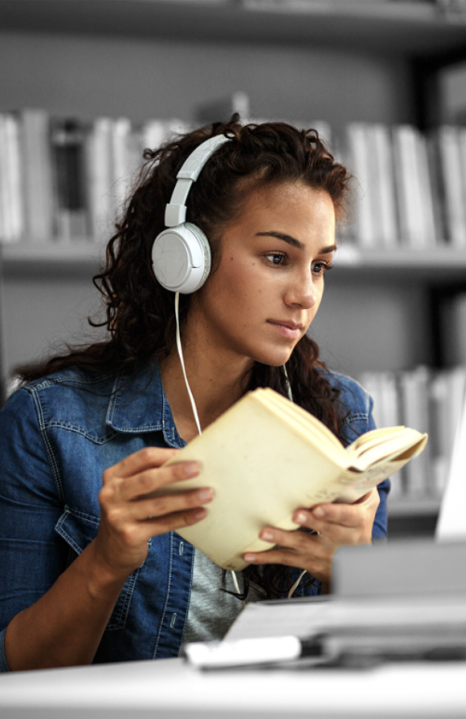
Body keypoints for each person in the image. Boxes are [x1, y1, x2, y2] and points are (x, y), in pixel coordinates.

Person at [0, 119, 390, 672]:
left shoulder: (343, 417)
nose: (305, 294)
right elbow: (14, 677)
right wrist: (107, 562)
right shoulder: (48, 424)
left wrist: (355, 570)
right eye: (277, 258)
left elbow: (380, 670)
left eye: (320, 266)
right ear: (187, 258)